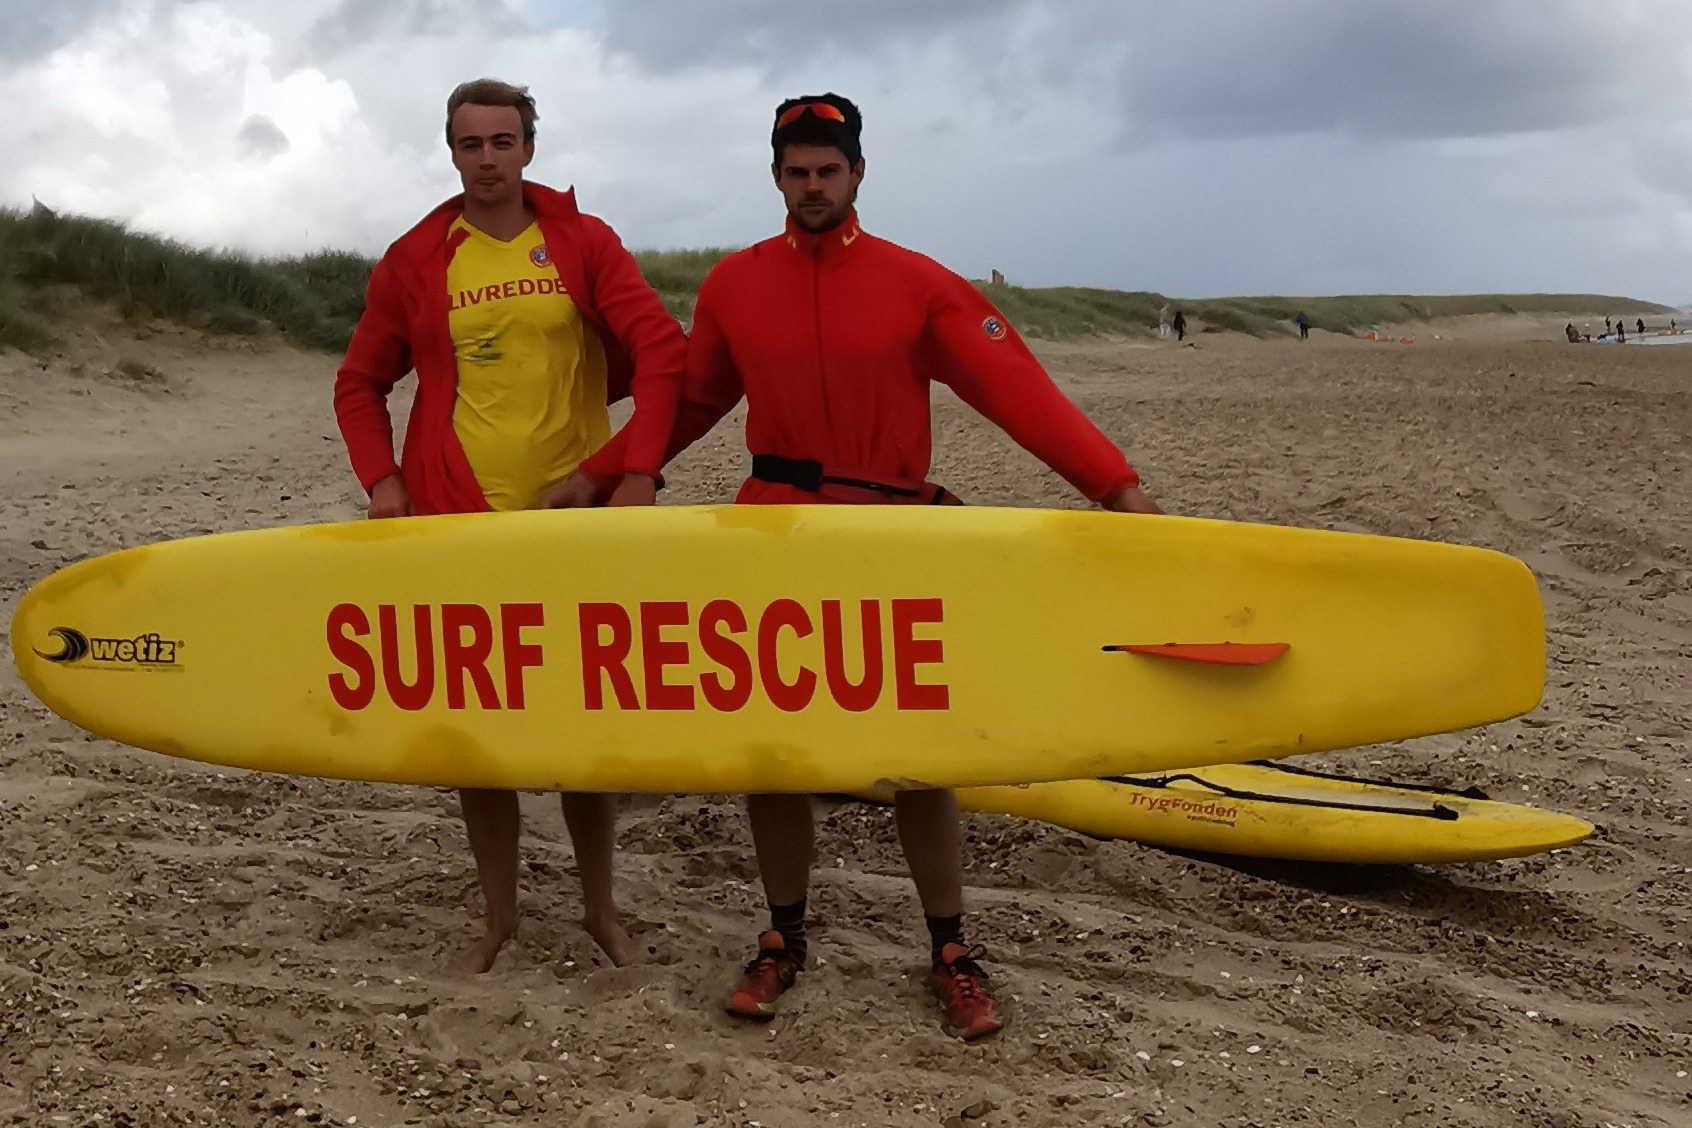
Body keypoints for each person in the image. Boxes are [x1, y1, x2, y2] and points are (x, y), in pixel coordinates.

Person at [556, 93, 1163, 1040]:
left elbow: (1019, 393)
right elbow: (692, 401)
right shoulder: (734, 285)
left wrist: (1116, 489)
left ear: (858, 173)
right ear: (775, 177)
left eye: (827, 173)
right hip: (777, 537)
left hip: (893, 539)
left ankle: (950, 950)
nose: (811, 189)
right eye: (796, 174)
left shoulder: (916, 284)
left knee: (920, 759)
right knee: (776, 753)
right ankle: (782, 938)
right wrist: (602, 476)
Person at [332, 78, 686, 973]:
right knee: (477, 732)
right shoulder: (418, 256)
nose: (487, 161)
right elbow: (359, 383)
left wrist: (633, 470)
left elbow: (661, 355)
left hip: (576, 519)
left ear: (530, 147)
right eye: (469, 145)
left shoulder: (580, 239)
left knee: (581, 729)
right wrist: (383, 483)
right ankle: (499, 919)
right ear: (449, 152)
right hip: (461, 520)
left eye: (503, 142)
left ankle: (600, 911)